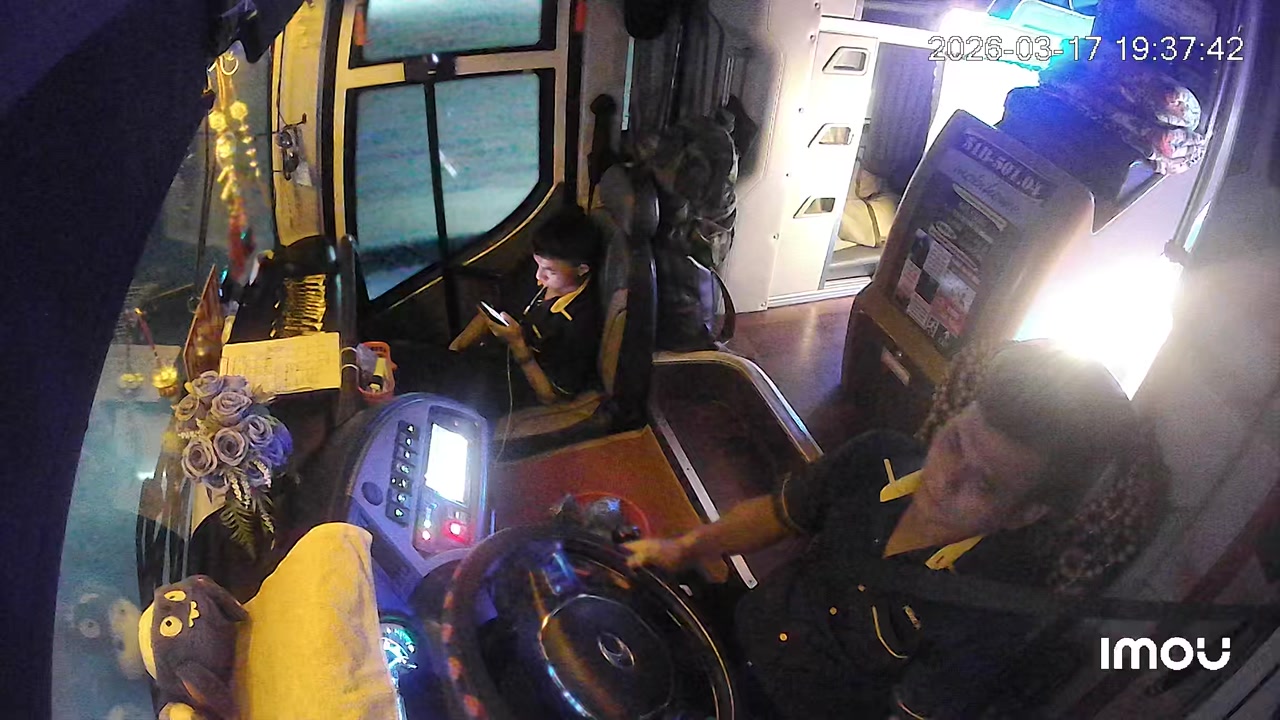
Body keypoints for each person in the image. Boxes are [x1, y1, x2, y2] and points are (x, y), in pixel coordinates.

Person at [625, 341, 1139, 719]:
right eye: (955, 442)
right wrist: (684, 547)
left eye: (982, 484)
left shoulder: (991, 616)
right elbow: (778, 515)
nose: (943, 478)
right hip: (736, 630)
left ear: (1024, 514)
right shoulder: (876, 456)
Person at [393, 206, 603, 419]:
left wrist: (518, 344)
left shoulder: (582, 322)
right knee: (400, 355)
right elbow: (495, 308)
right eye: (538, 265)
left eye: (550, 271)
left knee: (412, 381)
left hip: (512, 386)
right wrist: (456, 349)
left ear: (582, 269)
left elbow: (549, 396)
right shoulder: (534, 272)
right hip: (486, 360)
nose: (539, 276)